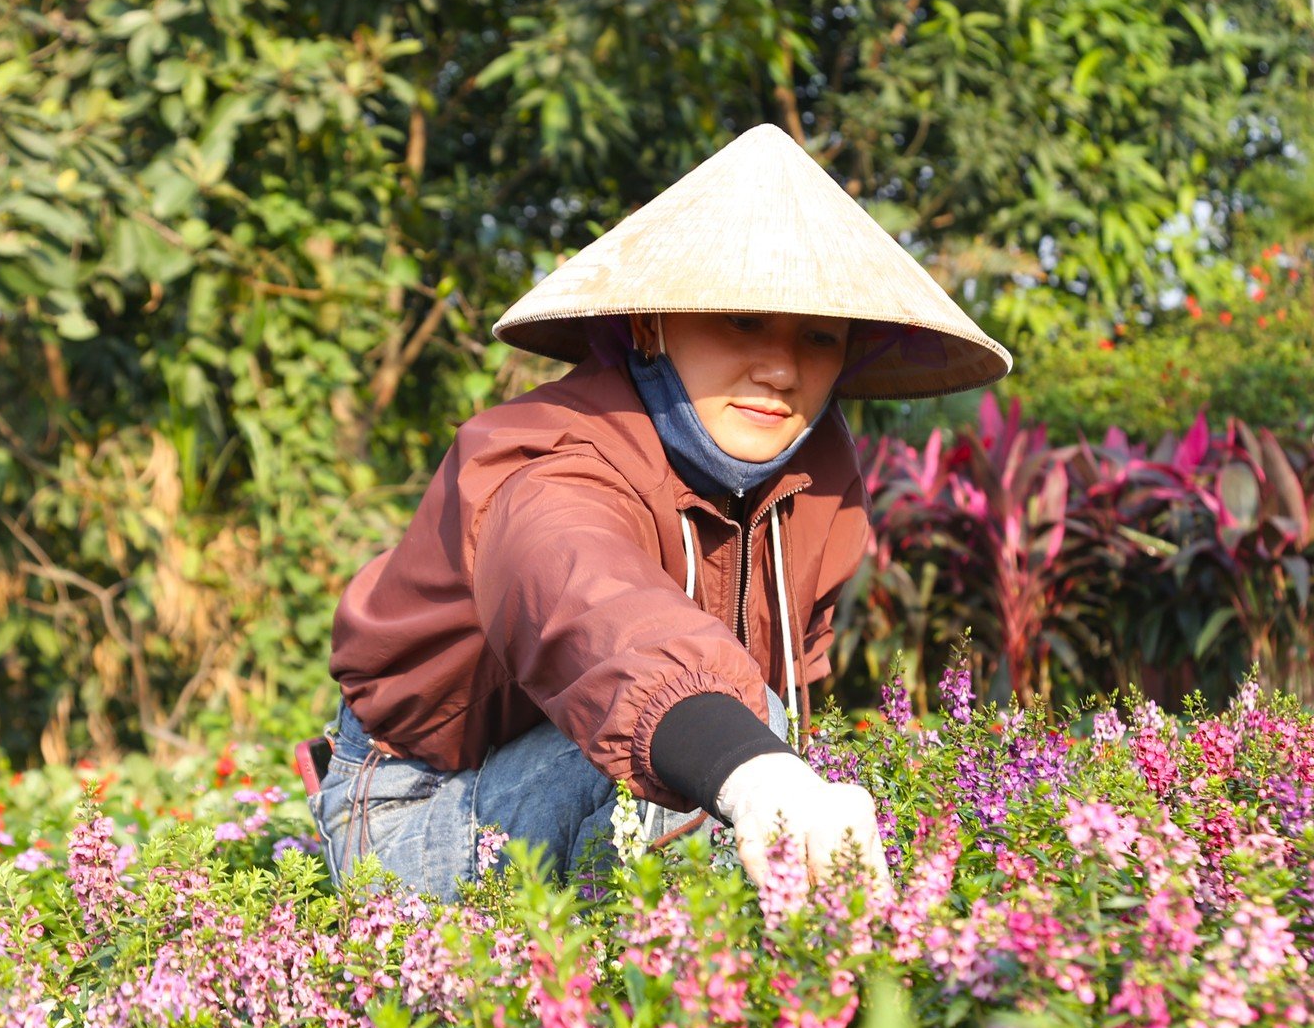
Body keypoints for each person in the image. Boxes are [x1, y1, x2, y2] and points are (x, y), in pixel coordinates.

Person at [309, 124, 1010, 902]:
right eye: (742, 320)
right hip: (425, 800)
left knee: (766, 754)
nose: (781, 368)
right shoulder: (549, 466)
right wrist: (752, 771)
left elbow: (792, 683)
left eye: (817, 336)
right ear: (651, 323)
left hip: (608, 759)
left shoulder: (819, 481)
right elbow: (593, 609)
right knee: (726, 749)